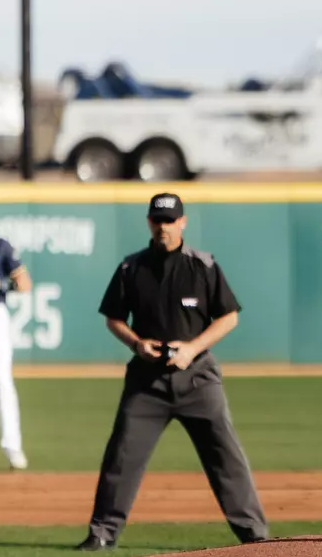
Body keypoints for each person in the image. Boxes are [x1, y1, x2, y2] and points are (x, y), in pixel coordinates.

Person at [76, 193, 268, 551]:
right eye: (157, 220)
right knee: (122, 455)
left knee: (225, 456)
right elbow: (113, 318)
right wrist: (137, 344)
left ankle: (254, 534)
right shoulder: (131, 268)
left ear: (183, 222)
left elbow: (229, 316)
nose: (163, 227)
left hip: (197, 377)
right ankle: (102, 532)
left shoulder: (203, 266)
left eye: (169, 220)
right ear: (149, 222)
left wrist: (192, 348)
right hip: (147, 381)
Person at [0, 236, 32, 470]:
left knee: (2, 380)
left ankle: (13, 447)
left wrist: (3, 284)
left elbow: (25, 284)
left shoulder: (0, 246)